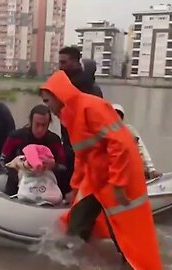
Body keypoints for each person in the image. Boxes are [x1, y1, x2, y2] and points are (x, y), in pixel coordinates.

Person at [40, 71, 162, 270]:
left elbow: (120, 145)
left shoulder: (91, 107)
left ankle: (131, 263)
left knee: (123, 230)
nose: (47, 107)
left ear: (58, 95)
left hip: (118, 174)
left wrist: (118, 184)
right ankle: (70, 261)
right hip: (96, 177)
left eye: (47, 101)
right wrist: (75, 187)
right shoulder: (69, 116)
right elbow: (82, 155)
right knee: (77, 222)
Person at [58, 46, 104, 197]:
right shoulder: (66, 83)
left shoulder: (88, 87)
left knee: (83, 176)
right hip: (69, 140)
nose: (60, 66)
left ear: (75, 62)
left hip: (86, 143)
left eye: (63, 62)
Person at [0, 104, 67, 197]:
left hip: (46, 184)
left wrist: (53, 166)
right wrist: (18, 170)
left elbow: (63, 166)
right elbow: (2, 161)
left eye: (44, 125)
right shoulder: (15, 137)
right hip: (18, 182)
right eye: (37, 124)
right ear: (31, 122)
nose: (40, 129)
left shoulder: (54, 140)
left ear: (48, 124)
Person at [112, 104, 163, 180]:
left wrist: (151, 169)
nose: (116, 117)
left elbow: (141, 148)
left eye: (119, 114)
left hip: (132, 168)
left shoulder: (129, 130)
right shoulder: (101, 132)